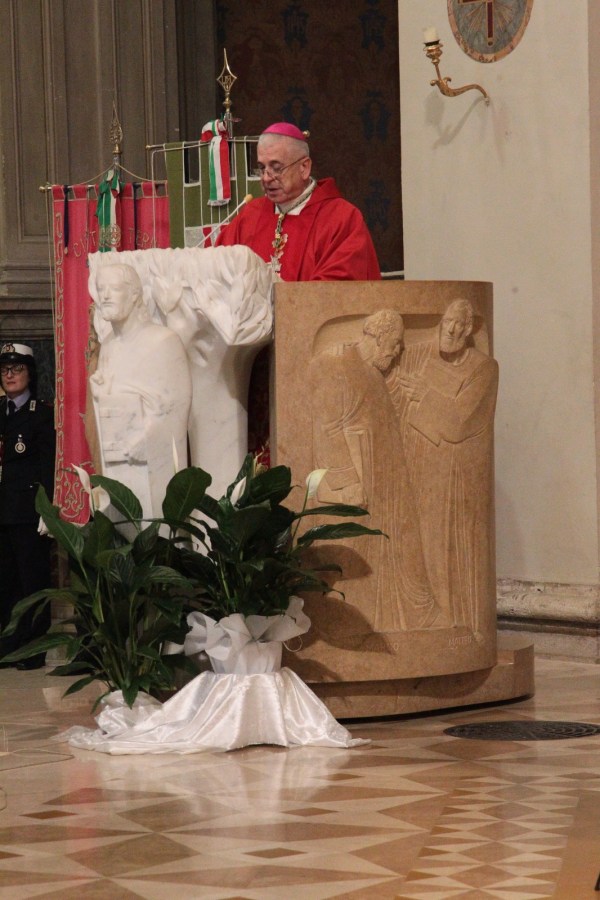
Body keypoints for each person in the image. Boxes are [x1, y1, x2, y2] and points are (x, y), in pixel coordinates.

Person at [309, 310, 442, 633]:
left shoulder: (372, 372)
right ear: (379, 337)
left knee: (402, 542)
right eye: (395, 345)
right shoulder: (336, 364)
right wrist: (346, 479)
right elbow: (326, 427)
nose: (397, 353)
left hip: (389, 479)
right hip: (363, 480)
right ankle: (364, 622)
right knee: (369, 552)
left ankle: (410, 614)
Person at [388, 299, 499, 638]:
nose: (452, 330)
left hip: (455, 477)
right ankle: (430, 620)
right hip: (419, 469)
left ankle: (460, 627)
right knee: (421, 545)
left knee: (451, 549)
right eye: (448, 321)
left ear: (470, 330)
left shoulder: (483, 368)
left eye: (461, 325)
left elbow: (461, 421)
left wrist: (424, 395)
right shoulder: (420, 355)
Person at [89, 262, 192, 521]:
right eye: (101, 289)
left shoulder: (163, 341)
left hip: (153, 464)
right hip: (118, 460)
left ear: (135, 294)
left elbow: (177, 405)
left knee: (155, 535)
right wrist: (102, 392)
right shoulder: (109, 346)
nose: (105, 296)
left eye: (114, 288)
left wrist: (147, 438)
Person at [216, 122, 381, 281]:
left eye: (276, 168)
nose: (266, 177)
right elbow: (217, 270)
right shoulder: (250, 216)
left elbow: (340, 290)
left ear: (304, 168)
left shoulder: (342, 219)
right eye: (262, 167)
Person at [0, 342, 56, 669]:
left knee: (32, 583)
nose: (9, 374)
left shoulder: (41, 414)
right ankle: (9, 645)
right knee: (5, 584)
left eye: (17, 368)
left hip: (28, 512)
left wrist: (47, 510)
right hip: (2, 513)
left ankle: (34, 648)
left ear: (29, 374)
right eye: (5, 369)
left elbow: (48, 466)